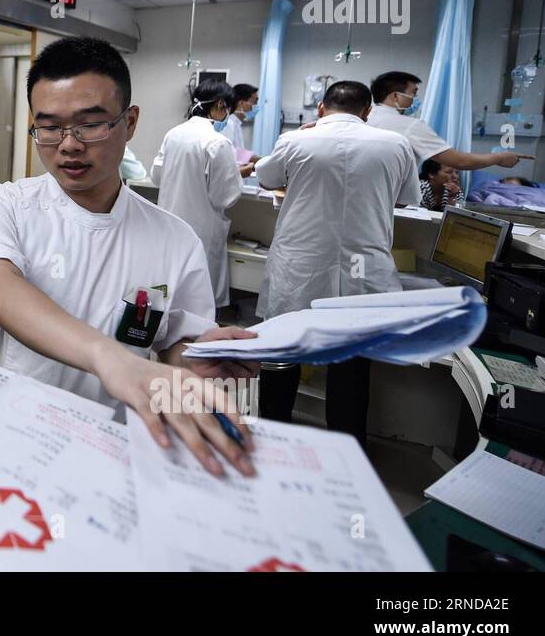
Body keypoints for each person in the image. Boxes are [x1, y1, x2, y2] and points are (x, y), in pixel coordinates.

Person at [0, 37, 258, 479]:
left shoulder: (174, 240)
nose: (68, 145)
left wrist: (193, 364)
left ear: (129, 121)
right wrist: (109, 357)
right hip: (3, 432)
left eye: (90, 124)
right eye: (49, 127)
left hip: (107, 450)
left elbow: (176, 344)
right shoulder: (4, 205)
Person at [253, 80, 420, 447]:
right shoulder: (395, 145)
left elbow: (265, 177)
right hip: (363, 271)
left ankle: (269, 442)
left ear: (322, 109)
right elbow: (408, 201)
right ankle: (348, 454)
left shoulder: (296, 141)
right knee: (351, 367)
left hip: (300, 267)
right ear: (367, 111)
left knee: (282, 357)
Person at [150, 79, 246, 308]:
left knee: (170, 292)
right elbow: (226, 197)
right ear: (221, 104)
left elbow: (156, 177)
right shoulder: (217, 142)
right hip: (201, 232)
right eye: (229, 109)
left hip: (169, 226)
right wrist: (237, 173)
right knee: (199, 301)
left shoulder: (173, 134)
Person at [367, 71, 532, 170]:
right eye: (413, 93)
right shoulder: (410, 126)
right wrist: (499, 158)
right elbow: (459, 161)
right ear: (395, 95)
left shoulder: (363, 118)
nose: (415, 99)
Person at [220, 82, 260, 158]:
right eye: (254, 102)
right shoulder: (227, 124)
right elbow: (228, 155)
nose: (256, 106)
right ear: (241, 103)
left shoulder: (236, 124)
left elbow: (239, 152)